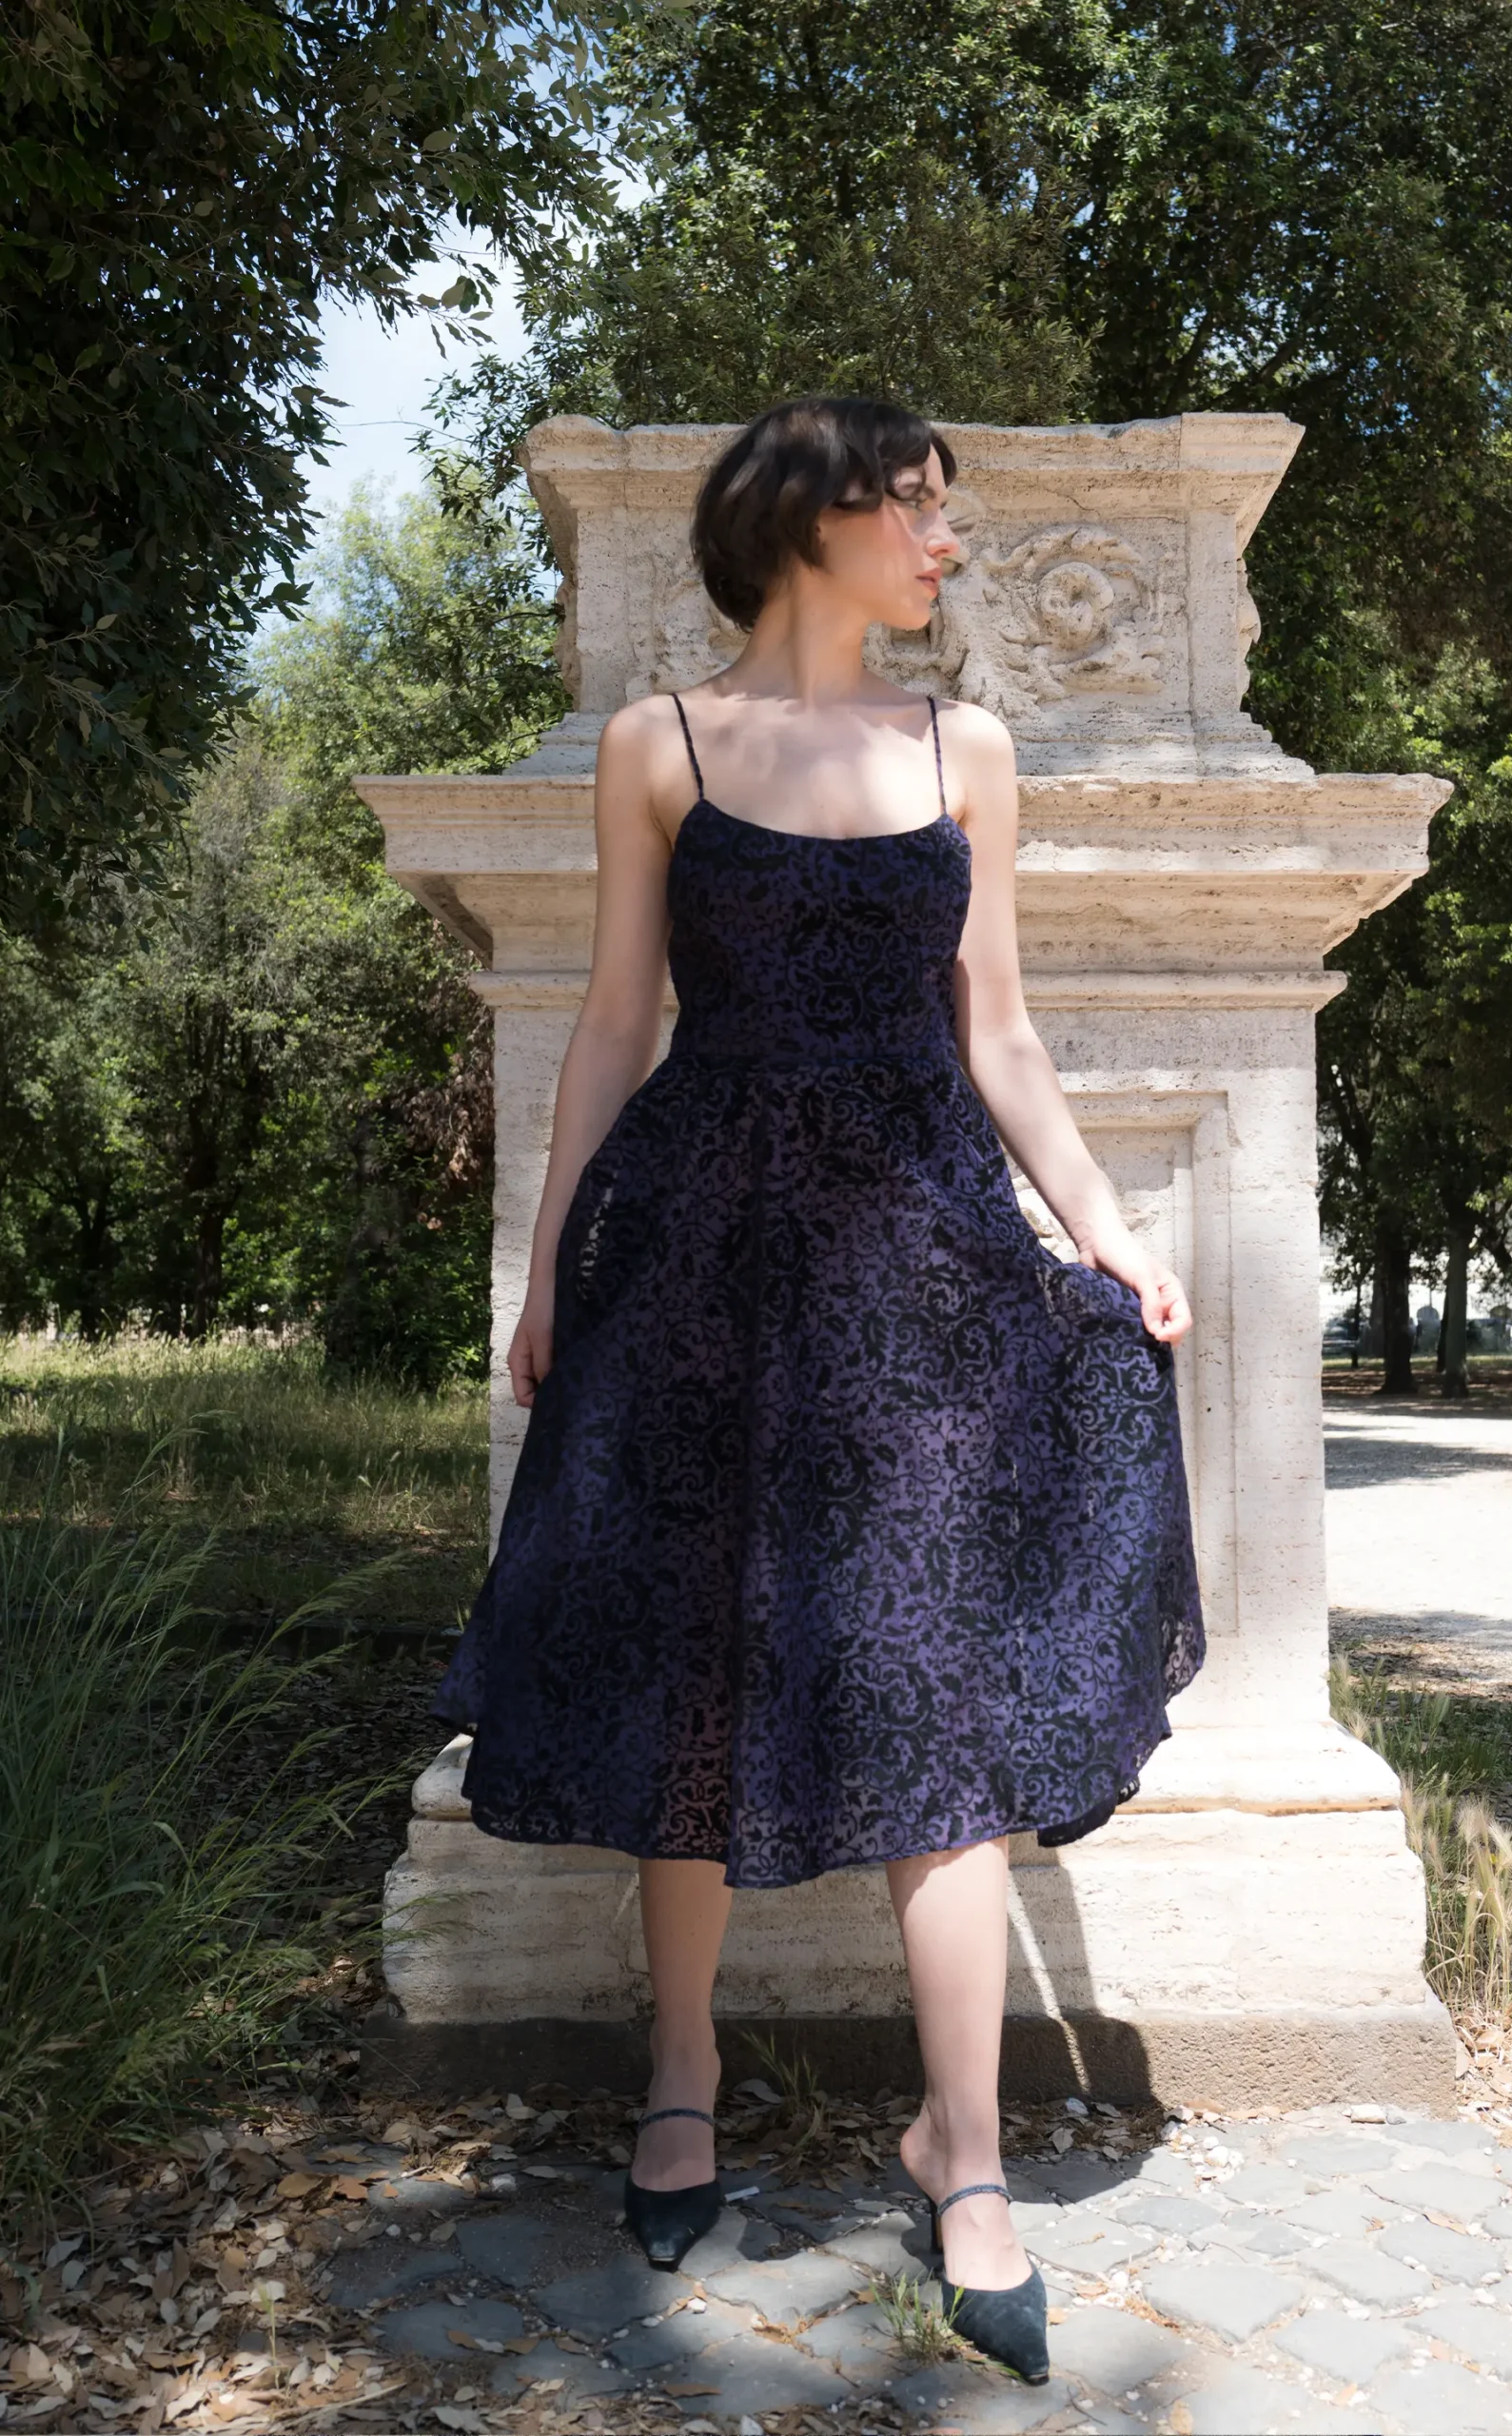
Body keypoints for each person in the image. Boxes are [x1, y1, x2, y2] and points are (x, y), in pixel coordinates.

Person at [434, 397, 1205, 2382]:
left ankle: (964, 2149)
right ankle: (680, 2069)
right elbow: (614, 1021)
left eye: (946, 512)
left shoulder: (966, 750)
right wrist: (548, 1264)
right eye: (917, 509)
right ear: (809, 518)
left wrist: (1108, 1230)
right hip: (694, 1249)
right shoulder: (659, 746)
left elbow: (1000, 1033)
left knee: (934, 1673)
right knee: (693, 1653)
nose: (947, 542)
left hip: (921, 1261)